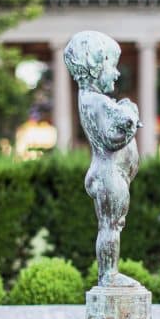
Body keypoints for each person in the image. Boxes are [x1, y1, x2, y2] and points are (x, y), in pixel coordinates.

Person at [64, 30, 142, 287]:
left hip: (112, 174)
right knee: (110, 227)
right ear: (96, 69)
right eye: (112, 67)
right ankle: (109, 274)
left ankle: (109, 273)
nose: (118, 73)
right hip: (109, 174)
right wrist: (129, 119)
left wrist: (124, 111)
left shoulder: (93, 100)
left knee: (112, 226)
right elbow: (112, 139)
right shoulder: (97, 101)